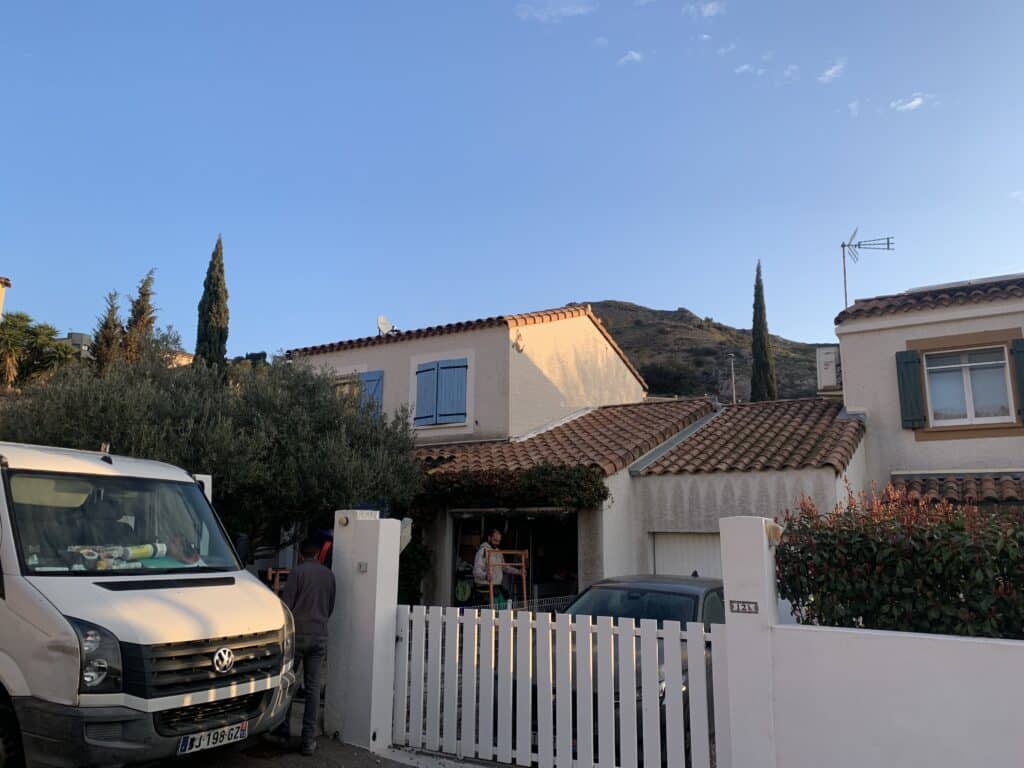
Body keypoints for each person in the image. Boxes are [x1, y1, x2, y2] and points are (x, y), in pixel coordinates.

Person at [277, 538, 336, 756]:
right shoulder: (329, 575)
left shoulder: (297, 573)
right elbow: (330, 606)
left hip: (298, 635)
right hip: (320, 635)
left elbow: (286, 606)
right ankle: (308, 740)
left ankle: (283, 732)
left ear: (301, 555)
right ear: (318, 553)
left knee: (290, 684)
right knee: (313, 689)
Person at [472, 528, 523, 605]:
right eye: (495, 540)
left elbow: (505, 567)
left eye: (499, 541)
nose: (497, 543)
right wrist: (485, 576)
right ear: (489, 538)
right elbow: (476, 571)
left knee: (502, 610)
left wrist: (519, 571)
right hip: (485, 590)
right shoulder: (483, 551)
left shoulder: (498, 552)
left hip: (496, 588)